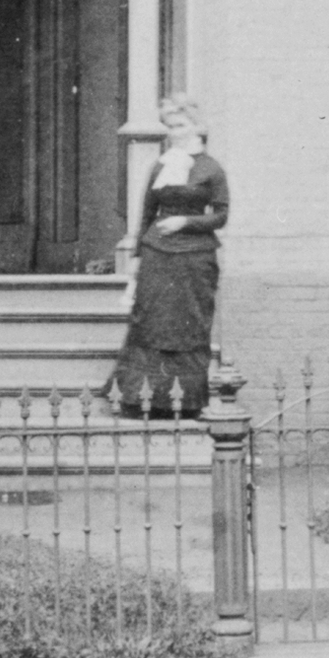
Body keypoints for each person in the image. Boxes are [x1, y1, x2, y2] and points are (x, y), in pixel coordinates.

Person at [110, 96, 229, 418]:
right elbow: (147, 213)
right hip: (157, 255)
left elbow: (220, 216)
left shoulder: (210, 168)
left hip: (195, 258)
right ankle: (139, 399)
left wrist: (186, 221)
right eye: (170, 126)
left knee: (188, 325)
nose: (174, 132)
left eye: (180, 125)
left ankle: (185, 402)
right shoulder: (161, 165)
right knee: (150, 323)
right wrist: (137, 257)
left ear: (196, 127)